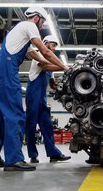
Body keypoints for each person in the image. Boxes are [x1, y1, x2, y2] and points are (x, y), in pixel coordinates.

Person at [0, 7, 69, 172]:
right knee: (15, 113)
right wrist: (65, 67)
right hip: (8, 70)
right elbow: (45, 52)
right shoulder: (29, 26)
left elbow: (38, 56)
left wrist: (60, 67)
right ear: (36, 18)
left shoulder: (20, 33)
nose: (41, 27)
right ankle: (14, 159)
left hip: (0, 71)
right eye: (42, 22)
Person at [25, 35, 71, 164]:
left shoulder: (51, 61)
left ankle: (53, 153)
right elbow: (45, 67)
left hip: (42, 97)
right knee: (31, 125)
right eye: (53, 44)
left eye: (55, 46)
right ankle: (32, 154)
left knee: (47, 124)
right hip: (33, 94)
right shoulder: (38, 54)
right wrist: (65, 67)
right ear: (45, 43)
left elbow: (51, 82)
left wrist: (57, 85)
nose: (54, 48)